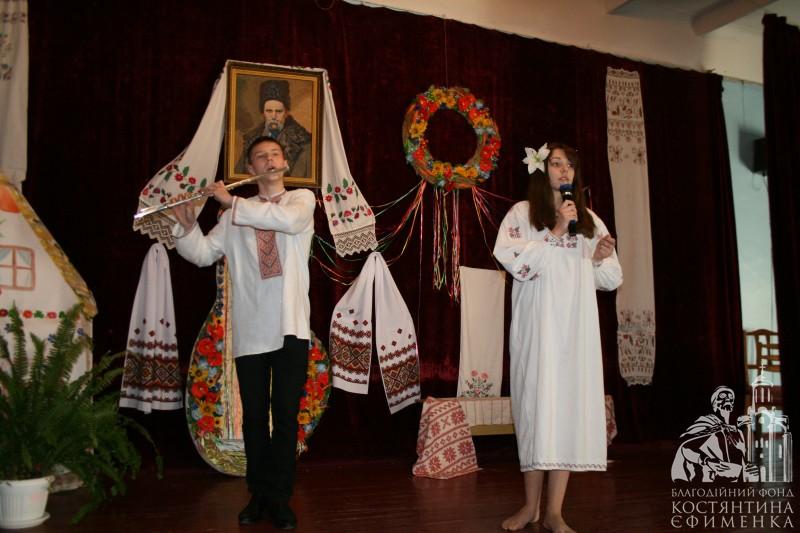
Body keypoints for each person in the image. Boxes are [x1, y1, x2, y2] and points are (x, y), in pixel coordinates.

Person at [172, 136, 315, 529]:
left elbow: (286, 222)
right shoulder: (232, 217)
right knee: (253, 416)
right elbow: (202, 254)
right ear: (249, 170)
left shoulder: (301, 200)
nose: (268, 160)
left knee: (285, 416)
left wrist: (231, 202)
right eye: (259, 157)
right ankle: (259, 494)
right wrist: (186, 227)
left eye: (274, 154)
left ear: (284, 163)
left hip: (290, 327)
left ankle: (280, 497)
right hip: (251, 329)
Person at [493, 142, 623, 533]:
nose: (564, 170)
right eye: (555, 163)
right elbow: (515, 262)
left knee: (564, 412)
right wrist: (555, 231)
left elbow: (611, 278)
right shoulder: (522, 213)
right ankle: (530, 506)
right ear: (542, 169)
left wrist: (599, 257)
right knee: (536, 411)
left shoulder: (589, 219)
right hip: (538, 329)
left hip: (574, 331)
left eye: (569, 164)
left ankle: (554, 511)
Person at [671, 386, 759, 483]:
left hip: (732, 479)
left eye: (730, 397)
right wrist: (707, 461)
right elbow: (685, 447)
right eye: (722, 396)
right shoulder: (707, 423)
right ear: (715, 404)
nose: (727, 399)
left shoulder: (738, 433)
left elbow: (740, 457)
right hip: (709, 478)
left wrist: (748, 467)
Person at [235, 79, 312, 178]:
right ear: (263, 113)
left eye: (278, 111)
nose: (274, 117)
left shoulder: (303, 142)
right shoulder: (251, 140)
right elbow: (239, 174)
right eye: (269, 111)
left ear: (286, 113)